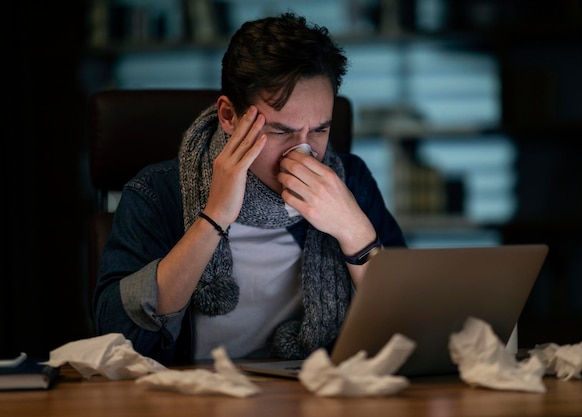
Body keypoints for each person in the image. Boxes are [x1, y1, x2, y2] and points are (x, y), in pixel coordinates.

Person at [93, 12, 406, 365]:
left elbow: (409, 332)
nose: (303, 152)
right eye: (280, 131)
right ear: (228, 116)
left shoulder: (352, 182)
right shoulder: (156, 192)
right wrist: (213, 218)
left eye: (319, 130)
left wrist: (356, 232)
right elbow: (115, 336)